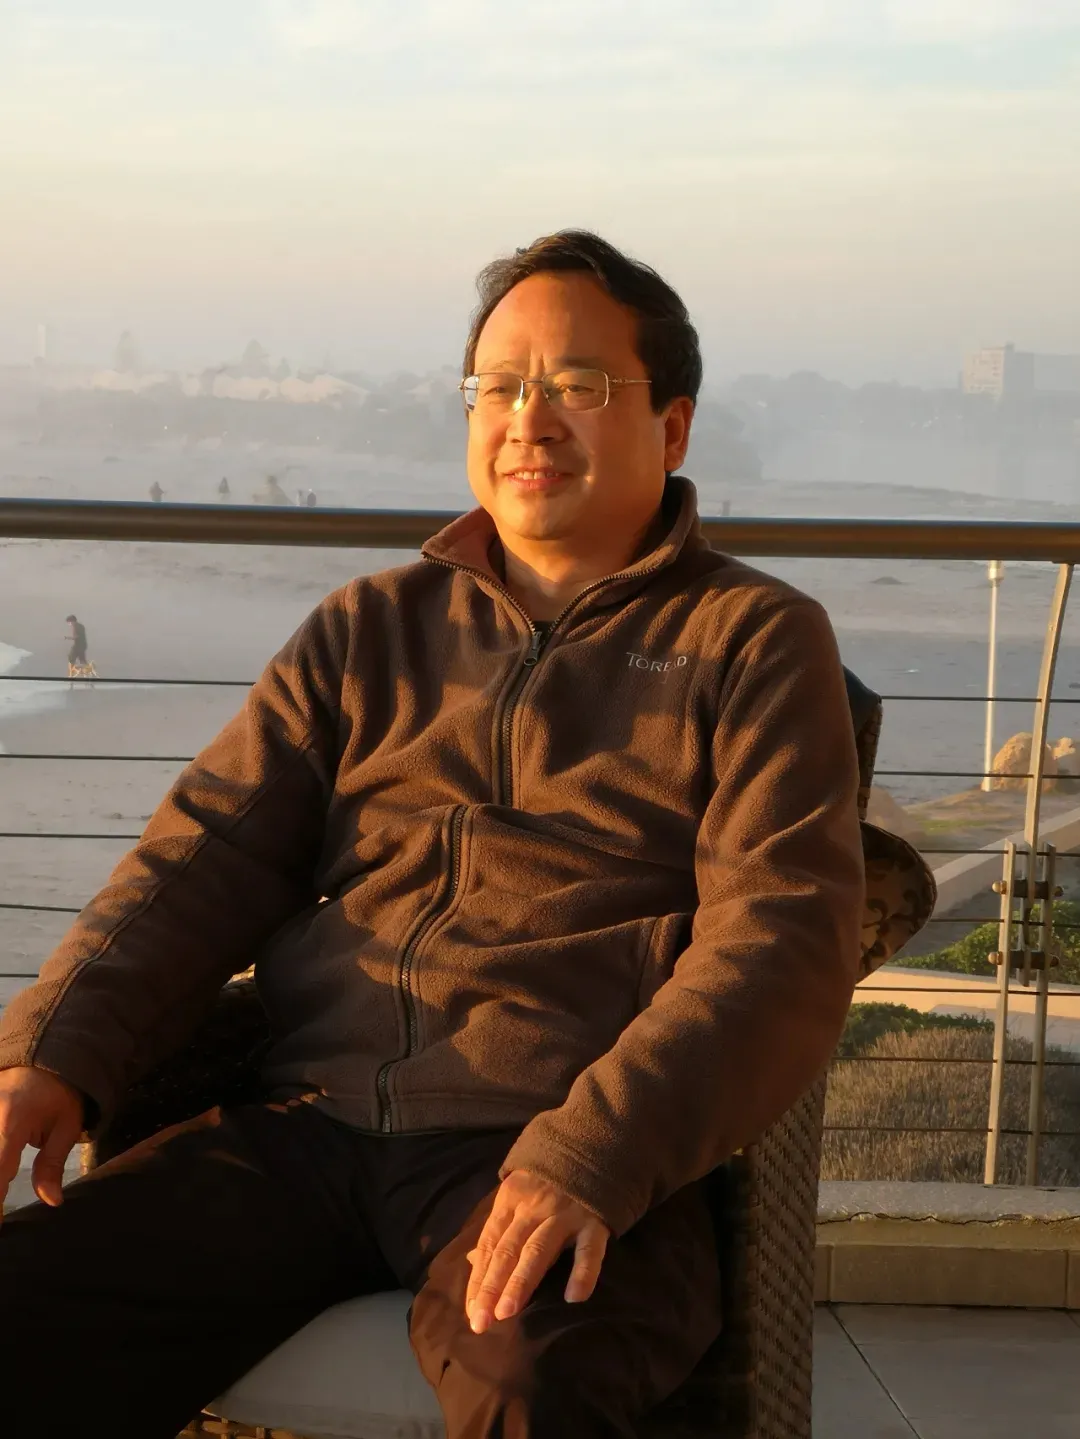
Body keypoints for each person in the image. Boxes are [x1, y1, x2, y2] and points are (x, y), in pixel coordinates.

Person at [0, 231, 868, 1438]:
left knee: (533, 1386)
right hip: (313, 1127)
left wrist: (595, 1151)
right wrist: (53, 1046)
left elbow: (780, 936)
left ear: (671, 428)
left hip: (556, 1140)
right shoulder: (369, 628)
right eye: (499, 385)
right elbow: (202, 855)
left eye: (576, 384)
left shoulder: (752, 640)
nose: (528, 419)